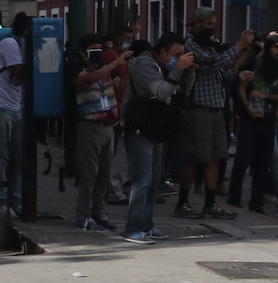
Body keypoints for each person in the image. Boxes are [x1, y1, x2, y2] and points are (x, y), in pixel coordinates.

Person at [174, 7, 254, 220]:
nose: (212, 29)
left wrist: (238, 76)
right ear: (197, 23)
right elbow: (214, 65)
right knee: (194, 157)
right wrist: (238, 47)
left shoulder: (211, 45)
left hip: (217, 107)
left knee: (215, 157)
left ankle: (210, 203)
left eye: (214, 25)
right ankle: (183, 202)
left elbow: (219, 74)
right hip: (198, 107)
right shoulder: (190, 45)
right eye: (208, 24)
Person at [121, 33, 195, 244]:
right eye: (176, 54)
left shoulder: (162, 65)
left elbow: (180, 91)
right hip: (139, 129)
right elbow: (162, 92)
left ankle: (147, 224)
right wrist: (179, 68)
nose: (178, 58)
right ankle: (133, 228)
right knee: (142, 181)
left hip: (155, 128)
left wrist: (187, 71)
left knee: (153, 182)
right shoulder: (144, 65)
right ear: (163, 51)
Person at [68, 33, 132, 230]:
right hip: (89, 126)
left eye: (100, 47)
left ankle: (98, 212)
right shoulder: (76, 66)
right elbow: (87, 78)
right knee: (89, 173)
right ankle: (83, 214)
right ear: (82, 51)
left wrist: (128, 68)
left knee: (104, 173)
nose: (98, 51)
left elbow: (121, 85)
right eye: (93, 47)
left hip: (108, 126)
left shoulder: (105, 67)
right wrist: (114, 64)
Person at [228, 34, 278, 214]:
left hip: (268, 120)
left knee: (262, 165)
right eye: (275, 47)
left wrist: (266, 98)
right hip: (250, 120)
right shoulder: (254, 63)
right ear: (267, 49)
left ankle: (257, 205)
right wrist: (248, 110)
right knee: (242, 161)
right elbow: (241, 88)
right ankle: (234, 199)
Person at [0, 12, 28, 217]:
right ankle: (1, 200)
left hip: (16, 106)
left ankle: (16, 199)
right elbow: (18, 70)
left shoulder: (21, 46)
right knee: (0, 155)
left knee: (19, 157)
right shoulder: (10, 44)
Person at [102, 27, 137, 207]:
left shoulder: (121, 56)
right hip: (116, 108)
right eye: (127, 38)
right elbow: (120, 86)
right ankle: (114, 190)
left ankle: (115, 187)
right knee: (120, 154)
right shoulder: (112, 56)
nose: (130, 41)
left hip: (121, 107)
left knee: (120, 152)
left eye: (132, 38)